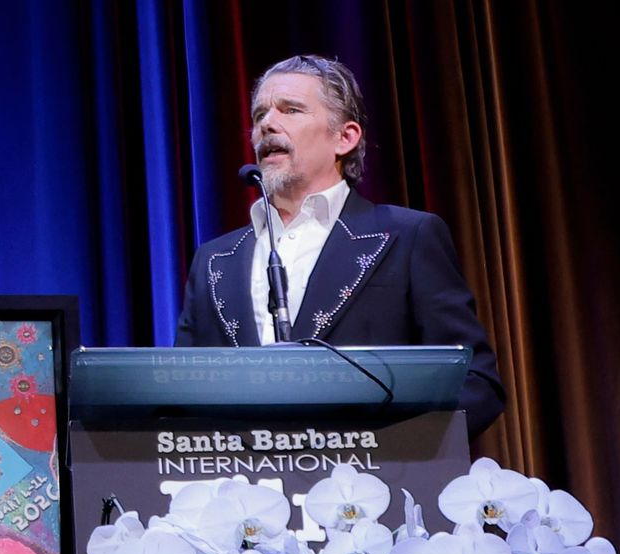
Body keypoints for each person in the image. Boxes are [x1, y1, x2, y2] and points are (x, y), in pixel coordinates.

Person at [175, 54, 505, 437]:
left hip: (370, 486)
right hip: (242, 488)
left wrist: (385, 453)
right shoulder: (215, 259)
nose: (267, 124)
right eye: (260, 114)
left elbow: (475, 383)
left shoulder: (408, 236)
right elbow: (181, 392)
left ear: (345, 137)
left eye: (291, 109)